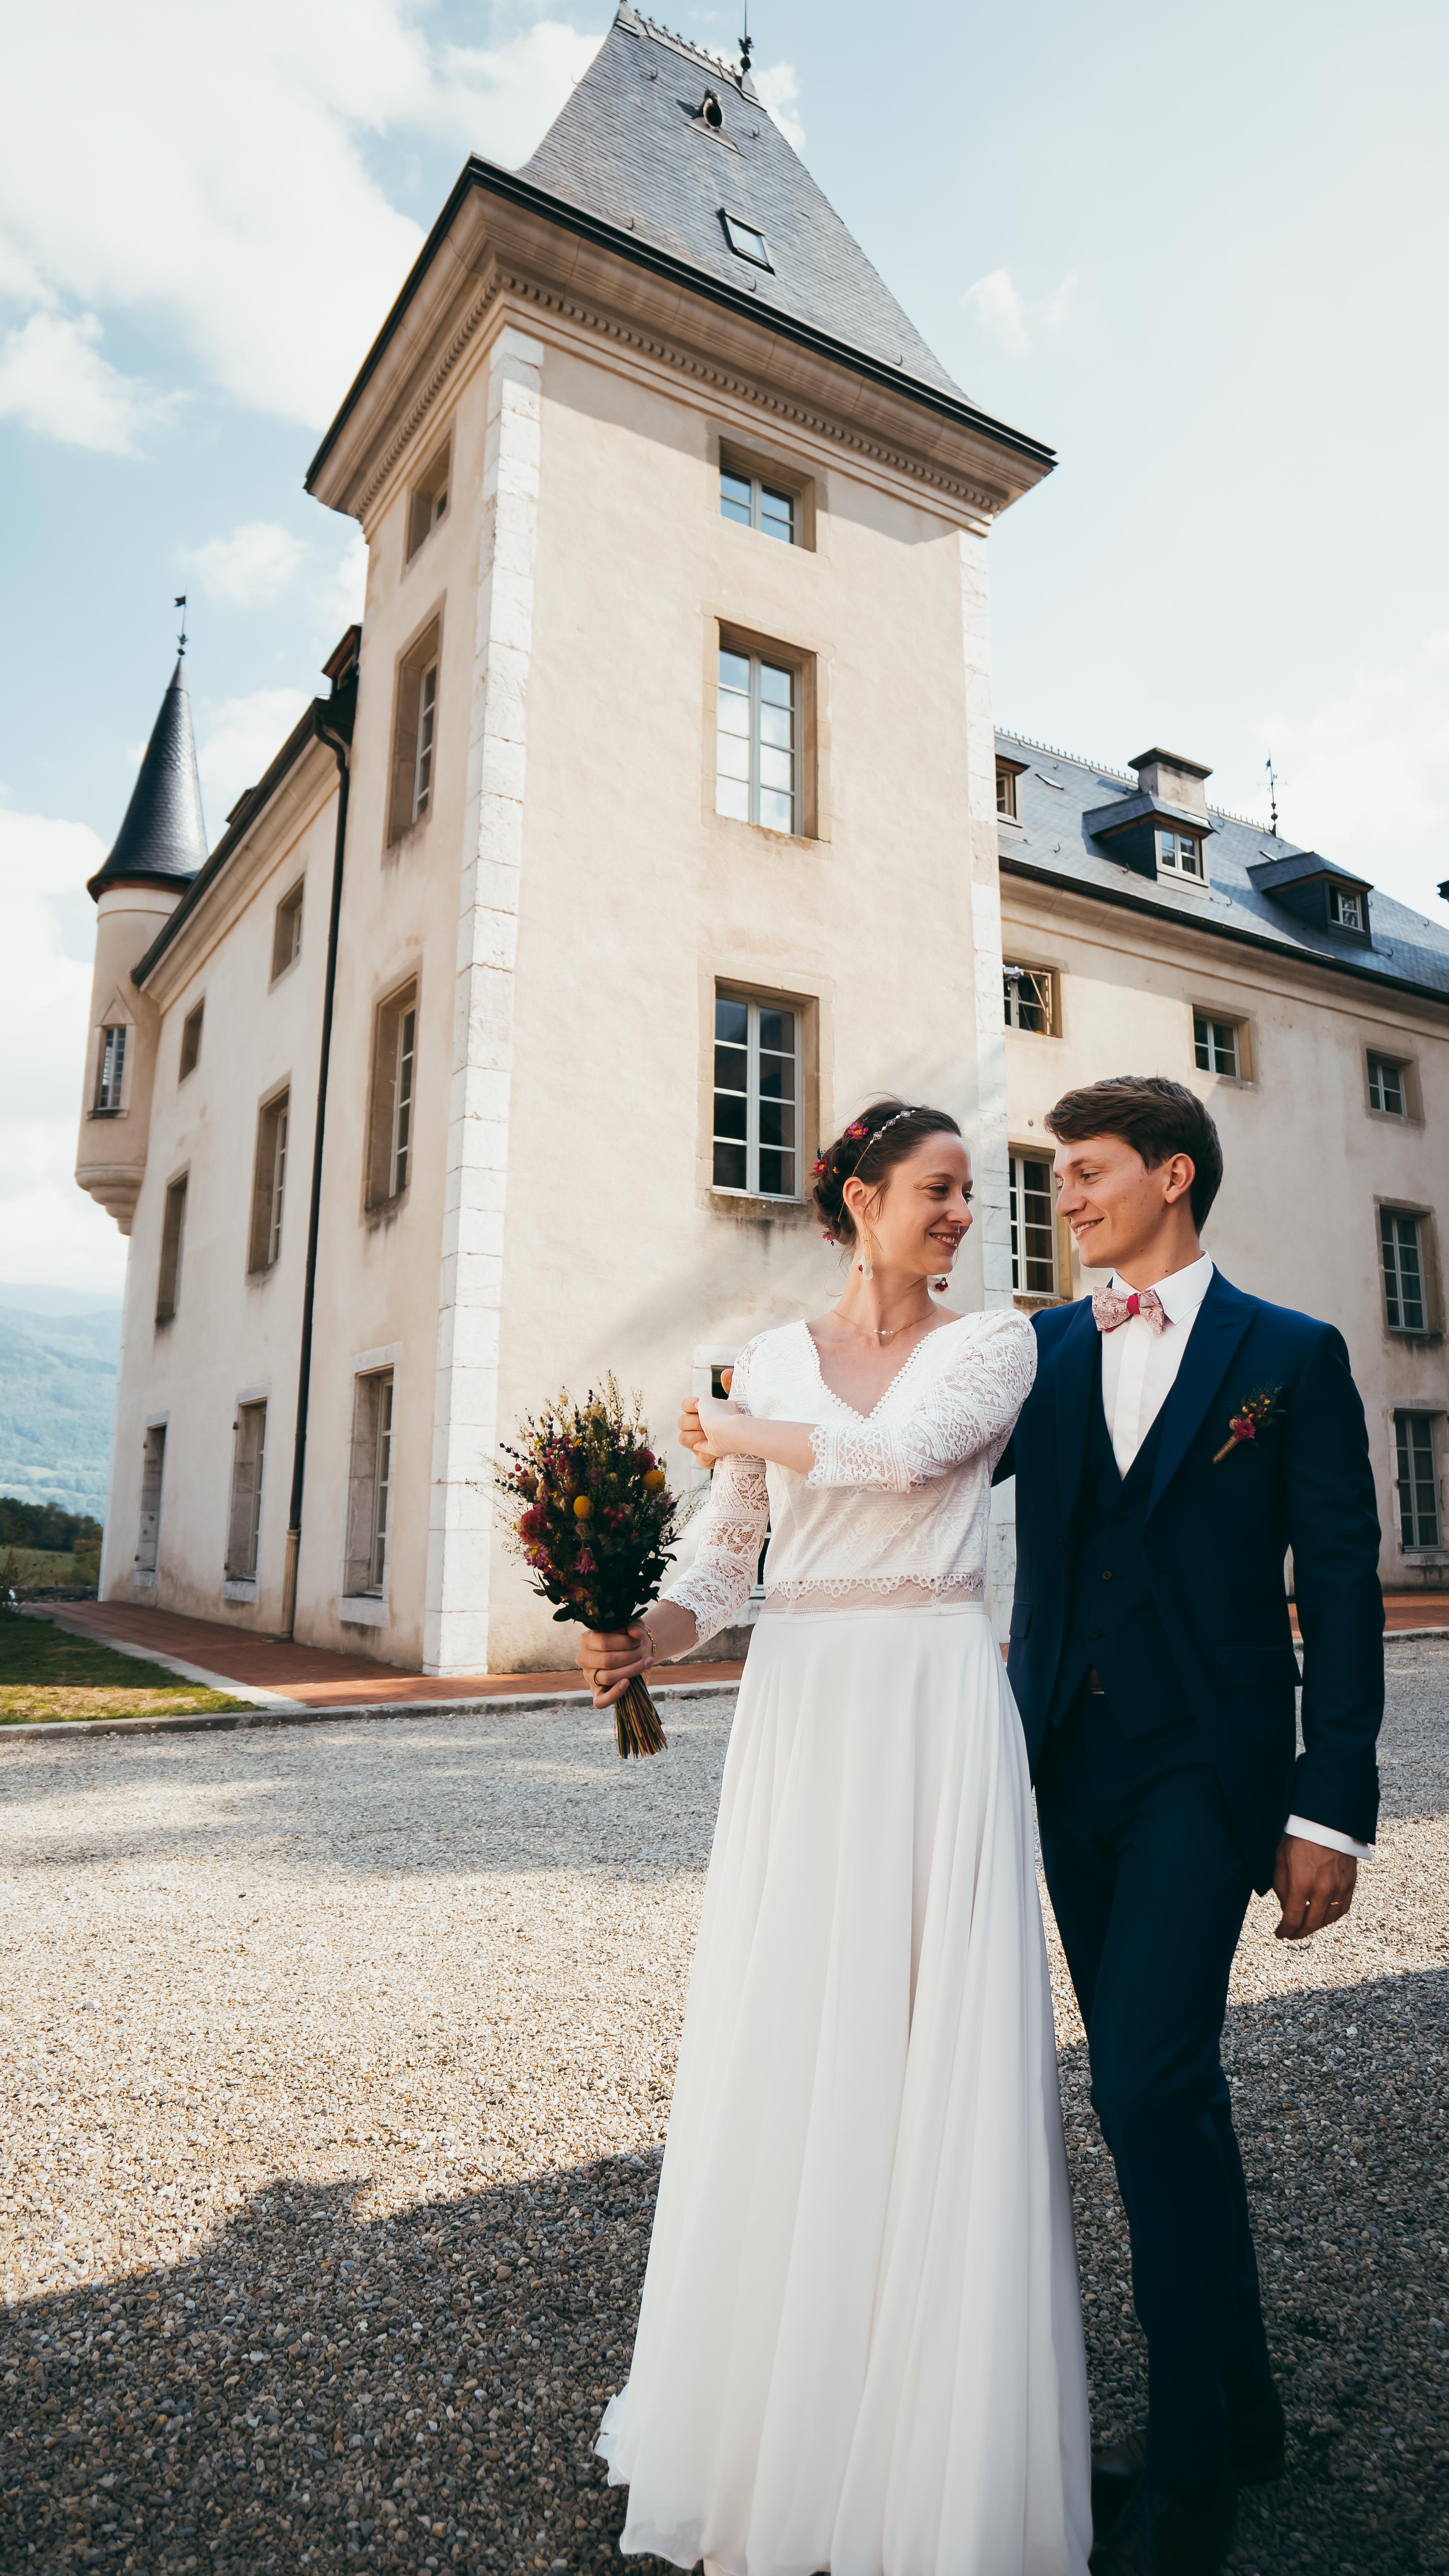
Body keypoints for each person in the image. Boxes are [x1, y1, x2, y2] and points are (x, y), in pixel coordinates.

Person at [576, 1098, 1092, 2576]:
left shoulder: (997, 1345)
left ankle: (934, 2457)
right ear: (859, 1197)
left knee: (936, 2038)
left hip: (933, 1696)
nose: (961, 1216)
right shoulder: (771, 1357)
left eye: (971, 1197)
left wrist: (739, 1422)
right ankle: (774, 2426)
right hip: (800, 1705)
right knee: (801, 2027)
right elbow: (727, 1564)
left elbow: (908, 1457)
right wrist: (645, 1637)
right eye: (935, 1191)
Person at [1002, 1075, 1385, 2576]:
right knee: (1173, 2095)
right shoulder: (1037, 1350)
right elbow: (899, 1466)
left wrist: (1329, 1809)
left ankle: (1185, 2480)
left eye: (1087, 1172)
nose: (1066, 1196)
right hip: (1060, 1771)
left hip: (1205, 1780)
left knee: (1148, 2090)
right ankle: (1244, 2402)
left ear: (1172, 1175)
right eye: (1058, 1176)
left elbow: (1342, 1590)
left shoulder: (1288, 1356)